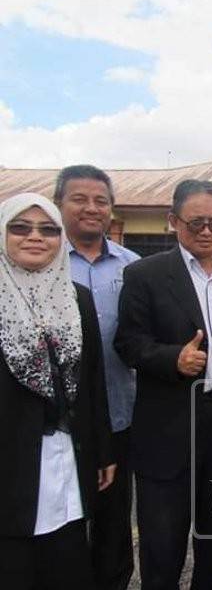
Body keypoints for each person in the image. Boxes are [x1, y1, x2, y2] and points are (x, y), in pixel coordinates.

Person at [114, 180, 212, 590]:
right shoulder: (144, 275)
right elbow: (127, 343)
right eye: (196, 222)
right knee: (162, 542)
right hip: (169, 425)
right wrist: (171, 358)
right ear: (173, 221)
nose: (206, 231)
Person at [0, 193, 115, 589]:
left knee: (65, 561)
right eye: (20, 228)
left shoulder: (76, 298)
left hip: (66, 454)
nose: (36, 237)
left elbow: (93, 380)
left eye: (48, 230)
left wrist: (103, 451)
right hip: (11, 461)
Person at [54, 164, 140, 590]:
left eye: (100, 201)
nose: (91, 208)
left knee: (114, 524)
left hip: (120, 416)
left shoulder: (134, 267)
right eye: (79, 199)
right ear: (59, 205)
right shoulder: (37, 261)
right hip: (56, 424)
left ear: (111, 209)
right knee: (59, 521)